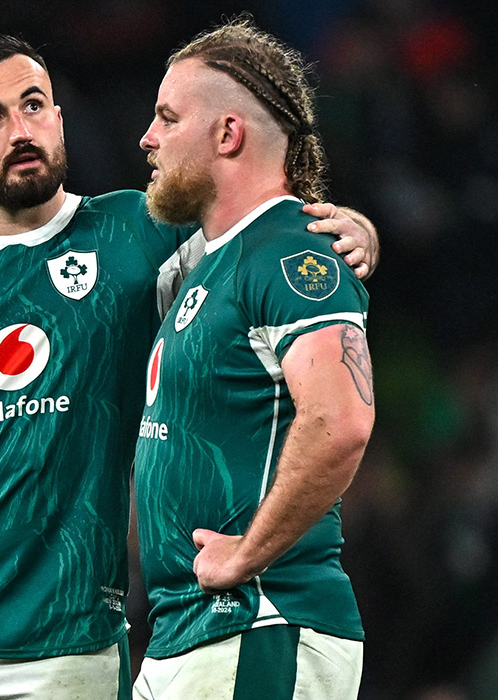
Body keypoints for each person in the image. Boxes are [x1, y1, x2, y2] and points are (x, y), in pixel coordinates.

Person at [0, 34, 378, 700]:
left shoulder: (141, 233)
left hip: (72, 650)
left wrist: (349, 227)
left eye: (34, 105)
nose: (21, 129)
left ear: (60, 116)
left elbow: (259, 216)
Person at [132, 19, 375, 700]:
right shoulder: (210, 261)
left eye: (167, 117)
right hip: (191, 629)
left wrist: (247, 551)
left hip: (262, 618)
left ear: (228, 134)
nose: (148, 138)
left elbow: (341, 422)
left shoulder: (288, 253)